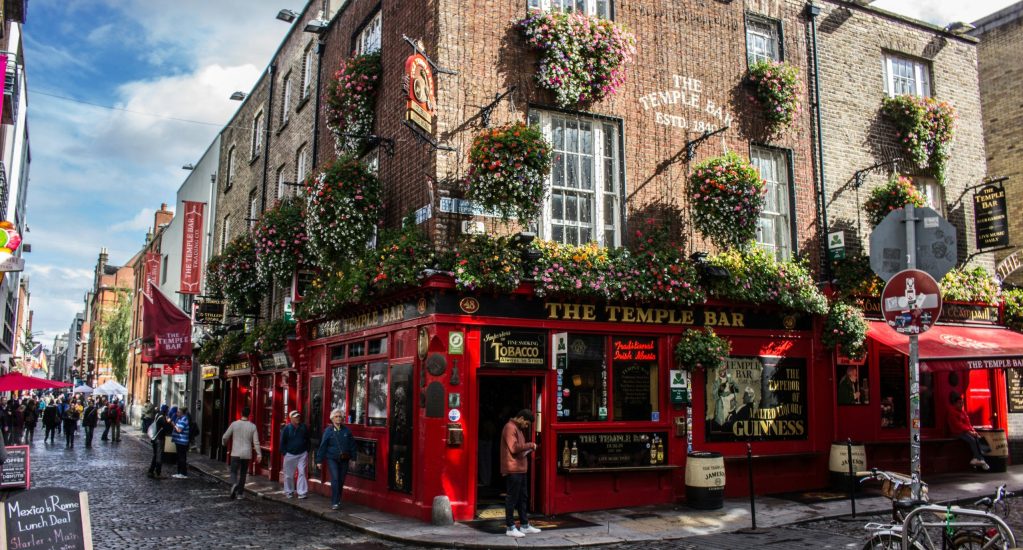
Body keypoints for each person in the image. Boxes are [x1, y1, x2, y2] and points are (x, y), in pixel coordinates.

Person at [499, 409, 541, 538]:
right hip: (513, 469)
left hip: (520, 468)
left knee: (523, 497)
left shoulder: (518, 429)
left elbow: (519, 448)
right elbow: (514, 448)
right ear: (521, 418)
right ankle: (510, 527)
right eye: (526, 423)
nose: (526, 426)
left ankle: (524, 525)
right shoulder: (510, 427)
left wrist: (527, 448)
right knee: (512, 498)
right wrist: (530, 445)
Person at [315, 408, 356, 510]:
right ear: (332, 418)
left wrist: (353, 459)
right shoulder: (328, 431)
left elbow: (352, 445)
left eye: (340, 416)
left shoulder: (347, 431)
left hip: (344, 459)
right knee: (335, 479)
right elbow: (323, 446)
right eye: (336, 416)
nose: (338, 418)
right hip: (332, 459)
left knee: (341, 480)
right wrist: (319, 460)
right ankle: (335, 502)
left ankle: (338, 499)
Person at [222, 407, 260, 500]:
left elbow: (225, 437)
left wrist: (224, 443)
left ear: (241, 414)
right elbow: (256, 442)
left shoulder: (234, 424)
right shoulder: (253, 426)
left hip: (236, 452)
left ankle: (234, 484)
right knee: (243, 473)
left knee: (233, 471)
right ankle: (240, 494)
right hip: (246, 453)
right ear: (249, 415)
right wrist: (259, 453)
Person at [948, 392, 990, 470]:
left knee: (977, 438)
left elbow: (968, 423)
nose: (961, 405)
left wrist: (974, 431)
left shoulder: (963, 412)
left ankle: (977, 459)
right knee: (972, 440)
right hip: (957, 432)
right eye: (959, 403)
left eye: (962, 403)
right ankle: (980, 460)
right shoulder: (952, 412)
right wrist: (969, 432)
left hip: (964, 431)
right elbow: (958, 425)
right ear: (955, 404)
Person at [280, 410, 310, 499]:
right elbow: (282, 442)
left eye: (298, 416)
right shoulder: (286, 428)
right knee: (289, 475)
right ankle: (289, 491)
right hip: (290, 454)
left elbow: (307, 439)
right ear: (291, 418)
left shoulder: (303, 427)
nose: (298, 418)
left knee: (302, 472)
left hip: (302, 453)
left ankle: (302, 492)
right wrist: (285, 453)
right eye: (295, 417)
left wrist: (307, 450)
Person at [148, 405, 171, 479]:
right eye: (167, 410)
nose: (168, 411)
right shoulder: (162, 418)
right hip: (159, 439)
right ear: (165, 410)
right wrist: (168, 422)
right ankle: (158, 473)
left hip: (155, 438)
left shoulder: (157, 415)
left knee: (155, 455)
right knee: (159, 456)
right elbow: (166, 428)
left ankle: (151, 471)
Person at [171, 408, 191, 478]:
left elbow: (179, 430)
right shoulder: (179, 419)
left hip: (182, 441)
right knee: (179, 457)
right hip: (179, 441)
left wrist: (173, 425)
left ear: (182, 413)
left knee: (182, 458)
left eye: (178, 412)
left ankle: (183, 473)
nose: (177, 413)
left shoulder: (184, 419)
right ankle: (179, 472)